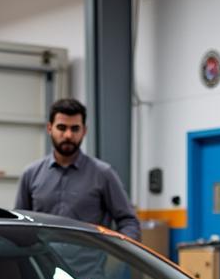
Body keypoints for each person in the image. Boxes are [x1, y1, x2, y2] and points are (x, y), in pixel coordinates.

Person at [15, 98, 141, 240]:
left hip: (88, 262)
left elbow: (129, 221)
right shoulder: (31, 174)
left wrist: (120, 256)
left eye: (75, 129)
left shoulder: (103, 174)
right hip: (42, 261)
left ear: (84, 131)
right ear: (50, 128)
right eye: (62, 128)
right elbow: (19, 225)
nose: (68, 135)